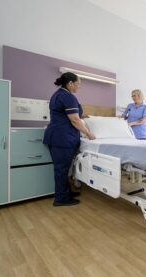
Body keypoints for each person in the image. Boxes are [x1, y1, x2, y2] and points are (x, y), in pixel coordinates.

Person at [43, 72, 95, 206]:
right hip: (62, 138)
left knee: (63, 168)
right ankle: (61, 199)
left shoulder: (58, 94)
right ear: (70, 83)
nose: (79, 87)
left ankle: (65, 192)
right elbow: (75, 120)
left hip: (57, 136)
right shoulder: (67, 97)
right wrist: (89, 134)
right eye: (78, 84)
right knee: (61, 169)